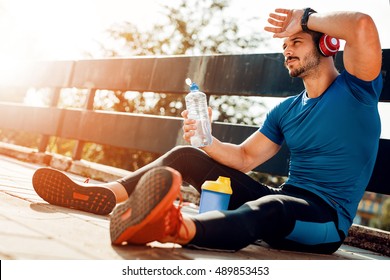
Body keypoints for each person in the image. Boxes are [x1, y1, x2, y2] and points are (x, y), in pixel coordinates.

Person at [32, 8, 383, 254]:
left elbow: (362, 25)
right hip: (281, 199)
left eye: (296, 42)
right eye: (284, 46)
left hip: (323, 224)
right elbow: (245, 157)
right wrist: (207, 139)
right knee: (190, 156)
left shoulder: (357, 90)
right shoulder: (285, 110)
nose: (287, 51)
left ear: (327, 45)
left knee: (273, 206)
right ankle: (103, 197)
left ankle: (173, 228)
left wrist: (304, 17)